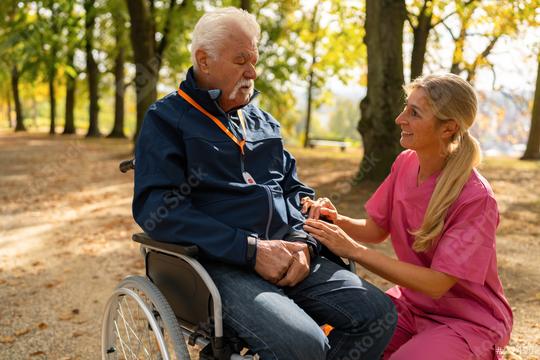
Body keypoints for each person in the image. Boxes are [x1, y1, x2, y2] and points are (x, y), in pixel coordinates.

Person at [132, 7, 396, 359]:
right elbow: (157, 212)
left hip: (292, 252)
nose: (252, 72)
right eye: (241, 60)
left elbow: (296, 191)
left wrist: (305, 244)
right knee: (303, 344)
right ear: (204, 60)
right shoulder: (166, 119)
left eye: (254, 60)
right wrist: (251, 250)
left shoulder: (262, 121)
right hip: (220, 264)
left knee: (377, 313)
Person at [303, 73, 513, 360]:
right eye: (406, 108)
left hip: (469, 322)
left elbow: (436, 284)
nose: (400, 119)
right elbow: (376, 229)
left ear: (448, 128)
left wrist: (354, 251)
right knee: (340, 343)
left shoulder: (477, 198)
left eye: (414, 113)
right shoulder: (404, 163)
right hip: (412, 306)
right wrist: (335, 220)